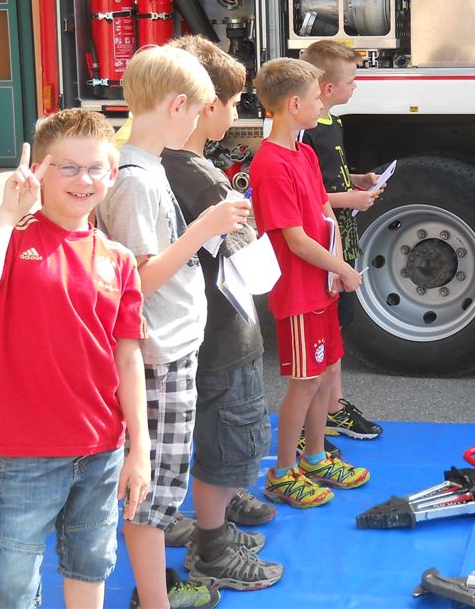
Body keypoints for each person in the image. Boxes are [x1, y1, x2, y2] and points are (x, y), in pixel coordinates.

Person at [0, 110, 150, 609]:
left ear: (112, 174)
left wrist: (140, 449)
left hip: (102, 451)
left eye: (95, 168)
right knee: (13, 588)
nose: (83, 179)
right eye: (66, 167)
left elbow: (128, 361)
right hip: (27, 455)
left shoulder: (118, 259)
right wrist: (4, 213)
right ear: (37, 170)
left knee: (91, 565)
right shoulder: (10, 237)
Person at [95, 45, 251, 609]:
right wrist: (203, 228)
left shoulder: (147, 166)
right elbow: (138, 278)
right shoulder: (136, 178)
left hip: (170, 348)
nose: (200, 123)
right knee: (153, 492)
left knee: (162, 486)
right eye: (200, 109)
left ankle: (155, 588)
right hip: (160, 355)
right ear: (180, 105)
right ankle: (154, 598)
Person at [159, 35, 282, 591]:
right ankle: (212, 549)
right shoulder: (197, 176)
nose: (235, 114)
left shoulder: (152, 164)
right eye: (232, 104)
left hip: (191, 332)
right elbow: (257, 271)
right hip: (222, 334)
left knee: (211, 438)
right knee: (226, 445)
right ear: (204, 104)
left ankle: (212, 532)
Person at [250, 57, 370, 509]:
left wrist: (336, 267)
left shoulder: (302, 153)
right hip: (299, 293)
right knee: (304, 381)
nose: (324, 102)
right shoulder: (271, 164)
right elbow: (295, 240)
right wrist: (340, 269)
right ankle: (282, 472)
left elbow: (322, 214)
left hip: (320, 287)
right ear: (295, 104)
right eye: (318, 97)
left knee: (321, 377)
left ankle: (315, 457)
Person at [299, 40, 384, 442]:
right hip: (324, 240)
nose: (357, 86)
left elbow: (334, 175)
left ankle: (333, 407)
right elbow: (308, 193)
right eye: (351, 80)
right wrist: (350, 199)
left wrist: (360, 179)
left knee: (339, 326)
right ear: (327, 89)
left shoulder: (334, 125)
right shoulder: (307, 135)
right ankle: (319, 414)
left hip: (343, 237)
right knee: (327, 330)